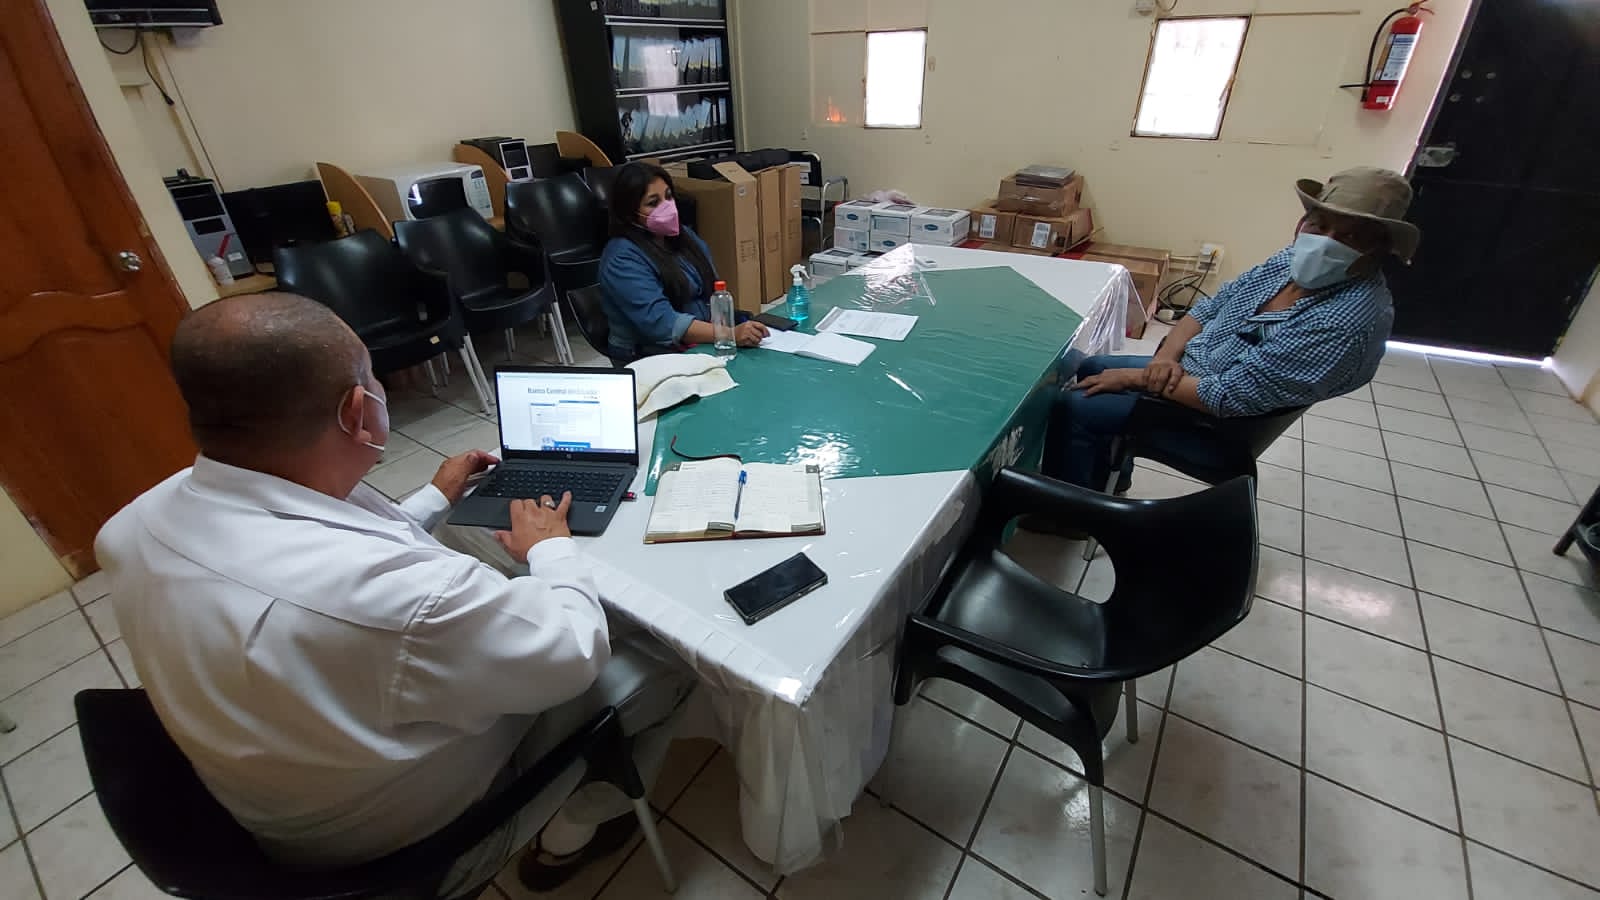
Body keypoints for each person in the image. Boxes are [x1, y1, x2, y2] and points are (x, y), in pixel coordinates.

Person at [95, 292, 694, 896]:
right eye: (373, 376)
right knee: (663, 660)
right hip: (407, 850)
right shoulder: (408, 599)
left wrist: (432, 500)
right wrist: (550, 547)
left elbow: (329, 547)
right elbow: (573, 652)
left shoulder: (132, 525)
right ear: (359, 410)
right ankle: (569, 837)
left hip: (275, 801)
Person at [1043, 167, 1417, 493]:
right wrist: (1166, 356)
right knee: (1092, 368)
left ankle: (1067, 512)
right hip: (1195, 372)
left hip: (1217, 422)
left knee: (1075, 403)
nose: (1325, 242)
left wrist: (1137, 379)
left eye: (1350, 237)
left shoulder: (1345, 321)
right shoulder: (1290, 260)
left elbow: (1228, 397)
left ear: (1379, 249)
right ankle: (1105, 476)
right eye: (1319, 225)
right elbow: (1208, 308)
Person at [598, 162, 767, 362]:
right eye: (653, 203)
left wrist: (730, 328)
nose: (666, 207)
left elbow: (711, 287)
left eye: (668, 196)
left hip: (696, 340)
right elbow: (663, 324)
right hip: (648, 353)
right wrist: (727, 334)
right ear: (629, 213)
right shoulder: (622, 258)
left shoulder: (682, 236)